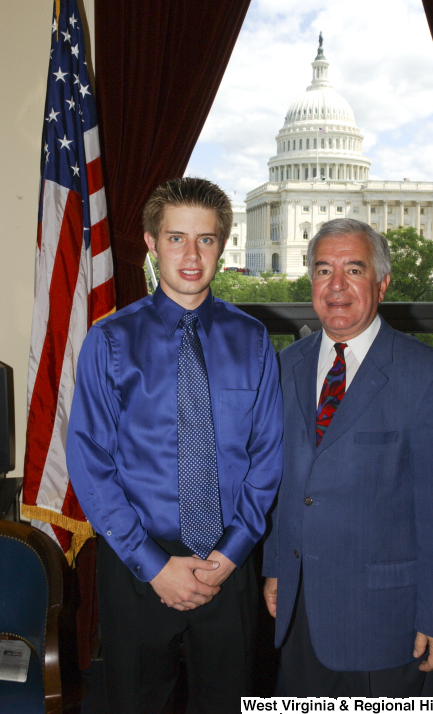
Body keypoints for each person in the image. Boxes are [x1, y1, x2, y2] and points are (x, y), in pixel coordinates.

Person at [67, 177, 283, 714]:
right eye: (176, 238)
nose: (191, 255)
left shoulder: (253, 339)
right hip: (139, 567)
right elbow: (90, 462)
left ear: (222, 245)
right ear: (150, 242)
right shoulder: (110, 341)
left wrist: (229, 557)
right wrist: (155, 565)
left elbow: (267, 459)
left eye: (206, 240)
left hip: (227, 570)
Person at [263, 218, 433, 698]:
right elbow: (285, 483)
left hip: (388, 627)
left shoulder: (431, 379)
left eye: (353, 270)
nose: (336, 286)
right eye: (323, 270)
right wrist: (276, 566)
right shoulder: (286, 366)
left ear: (381, 283)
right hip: (299, 614)